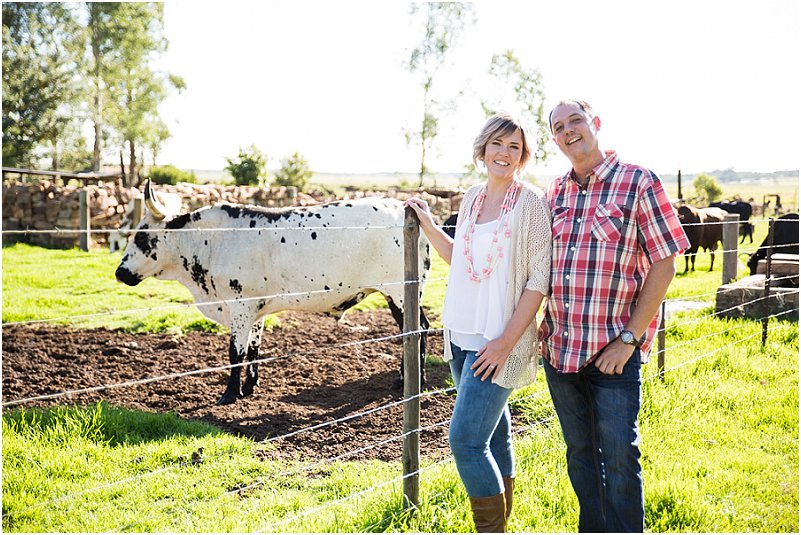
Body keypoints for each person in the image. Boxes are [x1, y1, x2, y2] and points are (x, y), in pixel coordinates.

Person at [540, 99, 690, 532]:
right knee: (580, 456)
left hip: (613, 353)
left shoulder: (638, 181)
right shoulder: (555, 193)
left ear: (596, 124)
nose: (568, 131)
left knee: (620, 458)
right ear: (555, 139)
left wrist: (629, 339)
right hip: (560, 351)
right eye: (558, 127)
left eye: (575, 120)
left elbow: (665, 262)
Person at [405, 112, 551, 532]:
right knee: (494, 435)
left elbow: (539, 280)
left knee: (466, 441)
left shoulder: (531, 203)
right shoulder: (471, 197)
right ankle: (503, 521)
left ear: (523, 156)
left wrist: (506, 343)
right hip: (461, 335)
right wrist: (429, 224)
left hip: (498, 340)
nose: (504, 153)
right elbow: (461, 259)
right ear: (483, 149)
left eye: (514, 147)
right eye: (497, 144)